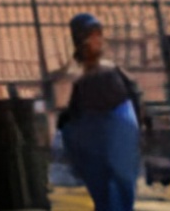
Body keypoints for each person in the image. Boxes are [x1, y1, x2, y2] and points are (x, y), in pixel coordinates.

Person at [58, 12, 144, 211]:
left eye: (99, 34)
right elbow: (71, 117)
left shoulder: (112, 69)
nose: (97, 39)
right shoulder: (75, 76)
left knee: (121, 183)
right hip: (94, 135)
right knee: (103, 187)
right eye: (91, 34)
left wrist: (139, 124)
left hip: (118, 127)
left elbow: (134, 94)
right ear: (80, 40)